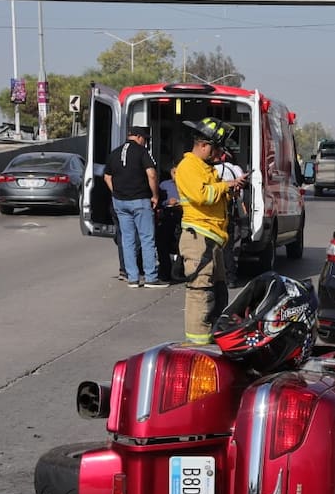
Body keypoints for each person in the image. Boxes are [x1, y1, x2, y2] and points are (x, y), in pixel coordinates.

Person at [173, 117, 243, 344]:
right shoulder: (188, 166)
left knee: (218, 291)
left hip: (212, 239)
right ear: (203, 145)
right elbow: (201, 196)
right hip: (199, 238)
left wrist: (230, 190)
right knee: (200, 292)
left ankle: (212, 335)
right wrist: (226, 186)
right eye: (217, 148)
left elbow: (215, 195)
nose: (220, 154)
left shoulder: (206, 168)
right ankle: (197, 344)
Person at [104, 125, 166, 288]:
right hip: (140, 200)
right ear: (138, 137)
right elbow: (151, 174)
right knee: (146, 238)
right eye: (145, 139)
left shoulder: (115, 153)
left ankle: (132, 277)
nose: (145, 142)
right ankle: (151, 277)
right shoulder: (142, 152)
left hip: (120, 201)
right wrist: (155, 195)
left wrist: (116, 191)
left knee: (127, 239)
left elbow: (107, 176)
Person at [216, 147, 247, 288]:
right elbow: (240, 193)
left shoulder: (211, 170)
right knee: (230, 245)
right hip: (230, 210)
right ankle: (231, 277)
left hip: (215, 211)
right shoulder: (235, 169)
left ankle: (218, 276)